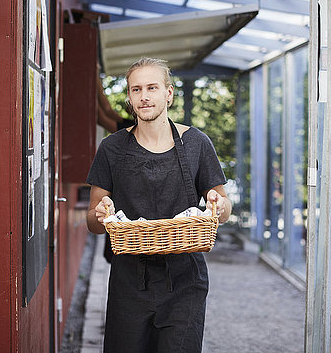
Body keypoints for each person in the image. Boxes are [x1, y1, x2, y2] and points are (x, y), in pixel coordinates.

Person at [86, 57, 231, 353]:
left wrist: (218, 205)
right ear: (129, 97)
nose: (144, 96)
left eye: (152, 87)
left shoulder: (196, 144)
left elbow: (224, 207)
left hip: (185, 281)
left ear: (168, 93)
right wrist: (100, 215)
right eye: (136, 89)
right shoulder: (111, 148)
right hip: (129, 282)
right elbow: (92, 220)